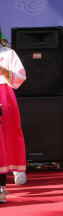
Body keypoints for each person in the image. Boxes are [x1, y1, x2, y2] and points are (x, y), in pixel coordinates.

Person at [0, 26, 27, 202]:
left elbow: (20, 75)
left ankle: (1, 186)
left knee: (6, 138)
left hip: (4, 96)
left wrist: (5, 72)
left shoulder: (8, 54)